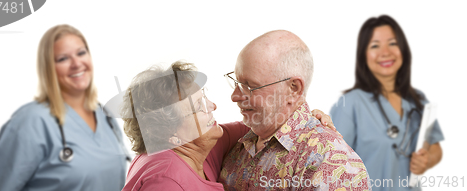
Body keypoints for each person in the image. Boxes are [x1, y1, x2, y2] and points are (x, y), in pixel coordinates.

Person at [120, 61, 336, 190]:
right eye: (199, 107)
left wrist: (305, 117)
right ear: (171, 133)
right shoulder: (166, 181)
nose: (213, 106)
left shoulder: (203, 144)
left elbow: (262, 126)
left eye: (204, 98)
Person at [0, 25, 128, 191]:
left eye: (81, 53)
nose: (76, 63)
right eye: (63, 59)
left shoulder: (105, 117)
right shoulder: (31, 121)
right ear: (49, 68)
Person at [219, 30, 371, 190]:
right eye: (236, 82)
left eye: (250, 86)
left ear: (294, 89)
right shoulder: (238, 146)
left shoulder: (329, 160)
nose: (234, 96)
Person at [329, 15, 444, 191]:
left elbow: (435, 146)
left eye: (393, 43)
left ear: (403, 49)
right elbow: (332, 164)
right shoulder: (350, 104)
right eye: (375, 45)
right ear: (363, 54)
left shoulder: (417, 101)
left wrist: (427, 159)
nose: (386, 52)